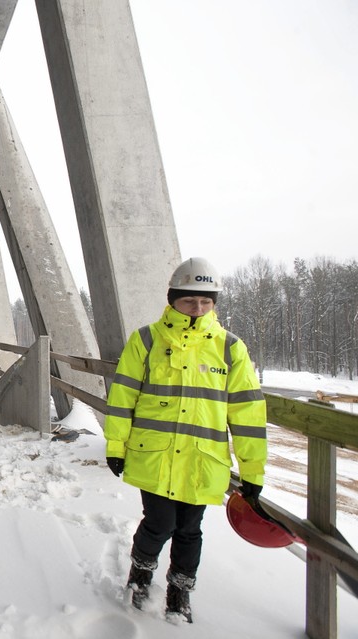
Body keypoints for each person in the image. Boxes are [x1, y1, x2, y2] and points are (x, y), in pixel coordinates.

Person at [103, 257, 267, 623]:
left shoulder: (230, 348)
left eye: (206, 301)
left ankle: (180, 593)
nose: (198, 308)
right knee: (159, 523)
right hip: (155, 456)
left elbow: (248, 415)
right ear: (173, 299)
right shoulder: (146, 339)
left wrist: (252, 469)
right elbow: (123, 397)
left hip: (202, 460)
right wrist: (116, 447)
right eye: (190, 300)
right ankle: (140, 574)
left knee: (190, 530)